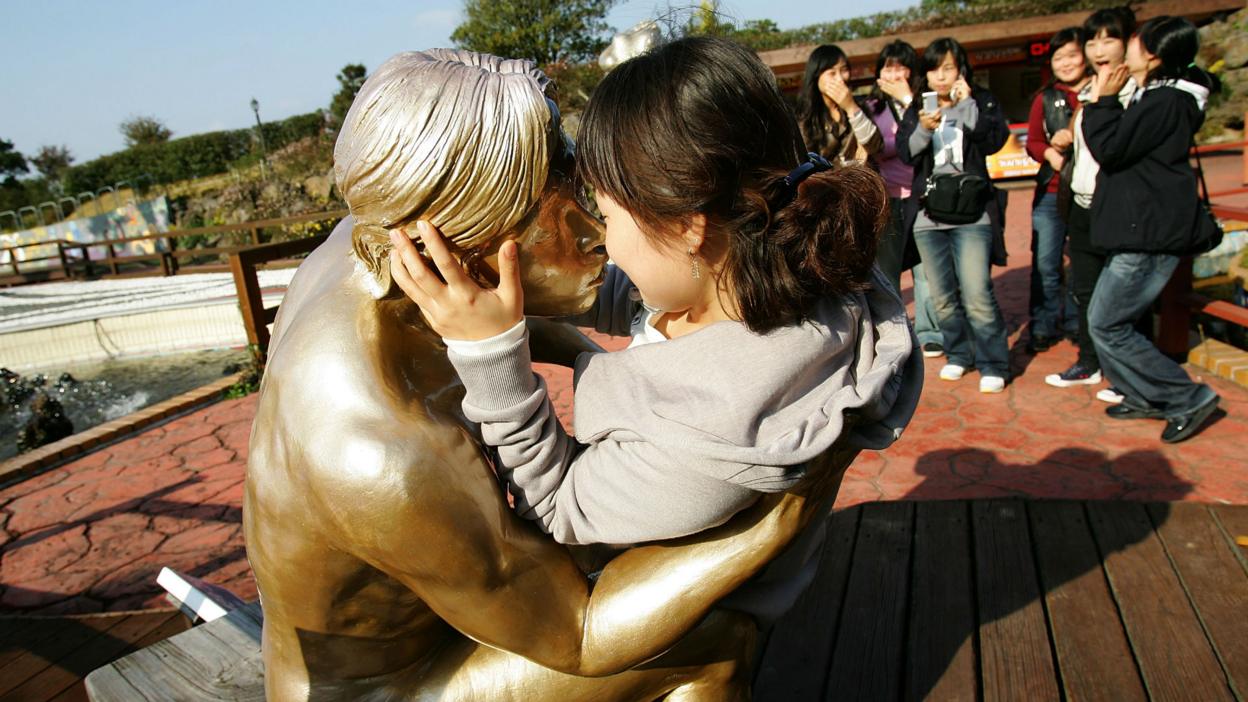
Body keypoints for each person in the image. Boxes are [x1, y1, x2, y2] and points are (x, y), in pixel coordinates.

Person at [247, 48, 857, 701]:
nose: (597, 231)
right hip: (394, 688)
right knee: (713, 642)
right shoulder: (384, 452)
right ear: (448, 250)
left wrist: (557, 346)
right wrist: (774, 517)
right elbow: (580, 635)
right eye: (550, 211)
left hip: (460, 599)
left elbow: (482, 322)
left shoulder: (376, 231)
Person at [390, 36, 921, 612]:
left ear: (691, 228)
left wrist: (490, 356)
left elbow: (563, 505)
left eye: (607, 212)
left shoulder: (718, 428)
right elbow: (646, 301)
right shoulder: (777, 280)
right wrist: (524, 282)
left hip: (676, 632)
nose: (601, 235)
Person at [1083, 16, 1221, 443]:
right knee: (1107, 321)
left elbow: (1109, 148)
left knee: (1107, 324)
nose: (1127, 49)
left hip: (1149, 233)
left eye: (1135, 42)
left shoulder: (1164, 102)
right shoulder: (1157, 97)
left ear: (1155, 55)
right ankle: (1146, 395)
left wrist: (1102, 102)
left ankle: (1187, 397)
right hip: (1141, 228)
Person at [897, 37, 1011, 393]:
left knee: (977, 292)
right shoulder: (919, 107)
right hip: (930, 217)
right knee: (942, 295)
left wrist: (968, 107)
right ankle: (959, 354)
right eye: (934, 68)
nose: (941, 76)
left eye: (948, 67)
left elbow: (993, 140)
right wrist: (924, 128)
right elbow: (906, 153)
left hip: (973, 215)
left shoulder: (980, 100)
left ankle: (994, 362)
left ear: (961, 68)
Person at [1047, 6, 1139, 397]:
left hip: (1118, 207)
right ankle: (1089, 363)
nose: (1099, 49)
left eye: (1109, 38)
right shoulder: (1086, 94)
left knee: (1119, 298)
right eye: (1093, 40)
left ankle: (1125, 375)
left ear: (1131, 42)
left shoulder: (1138, 91)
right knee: (1084, 289)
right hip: (1082, 205)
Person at [865, 39, 944, 359]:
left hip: (923, 197)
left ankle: (930, 332)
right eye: (888, 66)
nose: (894, 72)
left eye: (901, 66)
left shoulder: (926, 102)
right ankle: (895, 332)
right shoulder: (872, 108)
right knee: (889, 269)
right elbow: (877, 148)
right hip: (889, 198)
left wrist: (909, 101)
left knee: (926, 271)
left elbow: (938, 140)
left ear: (912, 72)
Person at [1025, 26, 1089, 353]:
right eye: (1058, 57)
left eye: (1072, 55)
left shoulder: (1101, 92)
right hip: (1051, 192)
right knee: (1046, 264)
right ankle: (1044, 323)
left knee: (1082, 263)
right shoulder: (1045, 98)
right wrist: (1051, 153)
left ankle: (1079, 324)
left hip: (1089, 193)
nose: (1065, 63)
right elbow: (1033, 142)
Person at [798, 44, 883, 166]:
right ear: (816, 77)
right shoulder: (806, 116)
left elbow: (875, 146)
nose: (840, 79)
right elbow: (806, 161)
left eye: (844, 70)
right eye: (832, 73)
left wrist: (850, 107)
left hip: (862, 182)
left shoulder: (859, 108)